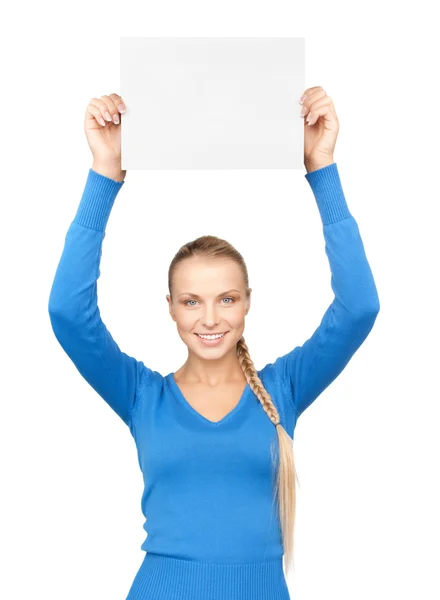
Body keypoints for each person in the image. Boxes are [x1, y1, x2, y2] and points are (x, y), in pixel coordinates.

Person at [48, 87, 380, 600]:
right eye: (191, 301)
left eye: (226, 299)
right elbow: (68, 312)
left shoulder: (283, 389)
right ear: (171, 306)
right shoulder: (143, 397)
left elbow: (359, 306)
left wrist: (322, 169)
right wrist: (105, 173)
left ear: (248, 302)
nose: (209, 318)